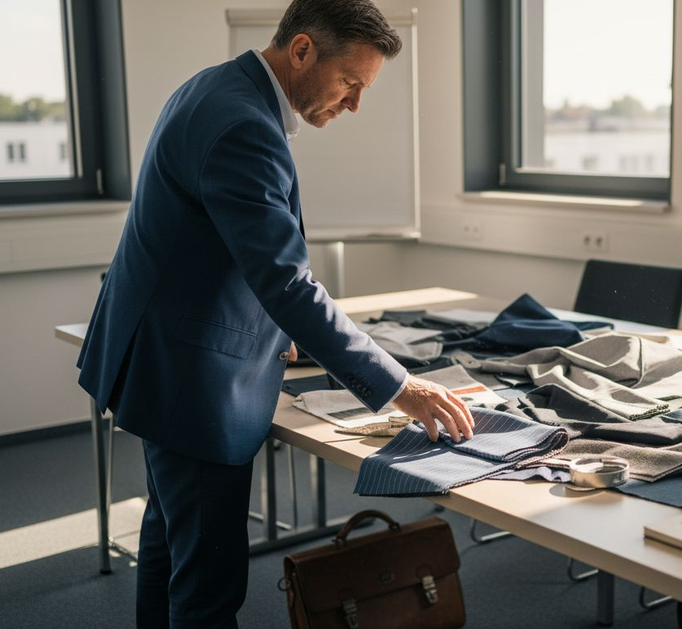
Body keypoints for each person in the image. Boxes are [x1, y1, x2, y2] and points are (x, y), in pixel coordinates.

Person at [75, 1, 474, 626]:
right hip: (191, 380)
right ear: (303, 50)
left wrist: (276, 326)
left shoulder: (216, 87)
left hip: (163, 354)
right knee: (208, 585)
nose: (354, 104)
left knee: (170, 546)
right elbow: (286, 282)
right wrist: (402, 387)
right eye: (350, 82)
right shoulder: (244, 125)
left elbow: (223, 248)